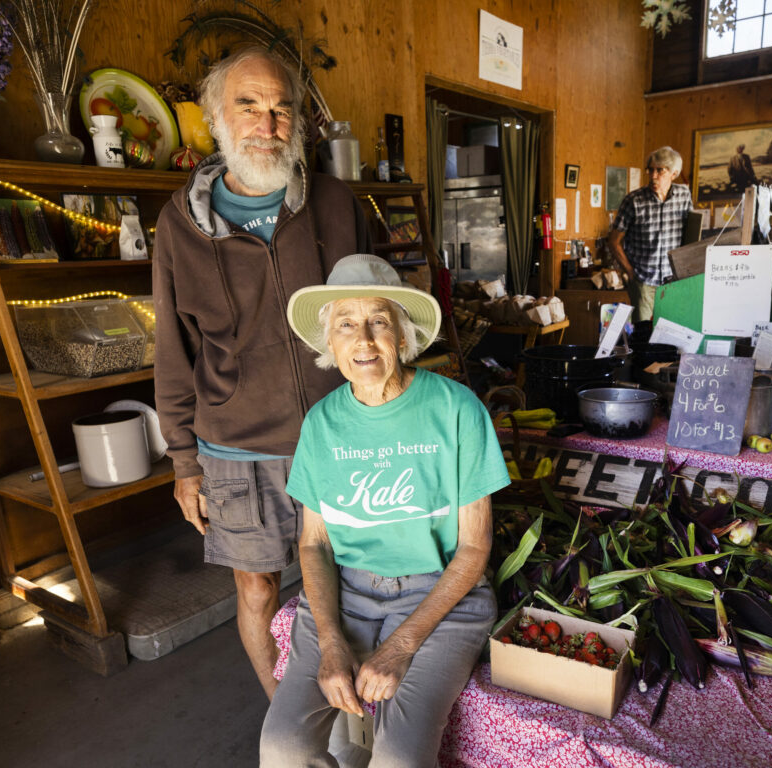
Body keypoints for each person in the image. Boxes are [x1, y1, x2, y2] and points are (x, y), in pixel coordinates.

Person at [152, 46, 372, 700]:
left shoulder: (336, 203)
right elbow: (173, 347)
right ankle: (285, 712)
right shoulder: (179, 225)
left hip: (341, 435)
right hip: (236, 445)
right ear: (218, 116)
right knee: (257, 585)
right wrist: (183, 461)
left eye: (281, 108)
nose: (267, 124)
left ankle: (354, 704)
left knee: (356, 580)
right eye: (249, 105)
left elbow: (381, 315)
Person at [258, 254, 510, 767]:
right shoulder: (322, 423)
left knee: (400, 758)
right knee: (282, 747)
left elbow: (474, 547)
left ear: (402, 335)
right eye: (347, 325)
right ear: (330, 343)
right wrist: (330, 642)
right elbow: (314, 543)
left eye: (379, 321)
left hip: (441, 596)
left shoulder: (457, 409)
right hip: (346, 593)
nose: (364, 340)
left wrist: (400, 647)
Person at [607, 146, 692, 322]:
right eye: (651, 170)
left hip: (672, 281)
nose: (653, 176)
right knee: (643, 334)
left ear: (673, 174)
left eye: (660, 170)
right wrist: (630, 272)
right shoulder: (633, 200)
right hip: (643, 280)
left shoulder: (684, 195)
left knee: (670, 331)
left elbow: (690, 235)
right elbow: (614, 241)